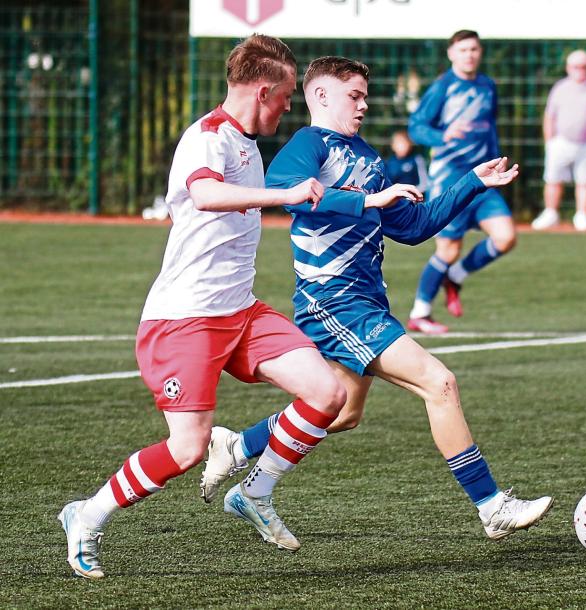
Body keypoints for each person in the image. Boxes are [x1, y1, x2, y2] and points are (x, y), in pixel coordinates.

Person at [200, 56, 554, 544]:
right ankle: (491, 506)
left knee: (342, 412)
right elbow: (286, 192)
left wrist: (471, 182)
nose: (365, 104)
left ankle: (240, 450)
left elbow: (412, 226)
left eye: (366, 95)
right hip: (334, 301)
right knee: (440, 383)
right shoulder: (309, 144)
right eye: (355, 95)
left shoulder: (367, 156)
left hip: (366, 301)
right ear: (320, 96)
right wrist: (367, 201)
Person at [57, 35, 349, 579]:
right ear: (263, 91)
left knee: (328, 392)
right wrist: (284, 197)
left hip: (241, 312)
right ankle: (87, 516)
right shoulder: (207, 137)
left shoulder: (246, 141)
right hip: (185, 318)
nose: (289, 107)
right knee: (187, 448)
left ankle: (254, 490)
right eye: (286, 96)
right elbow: (208, 195)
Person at [406, 30, 516, 335]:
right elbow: (416, 126)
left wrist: (496, 158)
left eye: (474, 49)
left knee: (505, 237)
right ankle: (420, 312)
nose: (469, 54)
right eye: (463, 49)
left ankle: (455, 277)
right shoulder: (443, 87)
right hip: (451, 179)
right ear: (451, 53)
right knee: (449, 248)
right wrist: (442, 137)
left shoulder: (487, 86)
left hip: (483, 177)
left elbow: (489, 125)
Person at [531, 49, 586, 232]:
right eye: (576, 66)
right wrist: (549, 141)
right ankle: (551, 213)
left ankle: (582, 215)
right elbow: (549, 116)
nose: (580, 70)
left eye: (584, 67)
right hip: (561, 142)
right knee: (552, 179)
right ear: (568, 68)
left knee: (584, 181)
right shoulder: (560, 88)